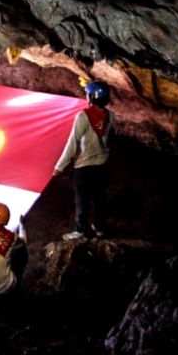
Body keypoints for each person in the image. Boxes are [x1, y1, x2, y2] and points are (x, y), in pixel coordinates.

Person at [54, 79, 115, 240]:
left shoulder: (83, 116)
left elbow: (72, 143)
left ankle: (80, 230)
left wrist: (60, 166)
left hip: (84, 165)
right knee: (99, 198)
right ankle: (99, 227)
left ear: (91, 97)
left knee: (82, 200)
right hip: (101, 164)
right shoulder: (110, 115)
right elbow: (106, 138)